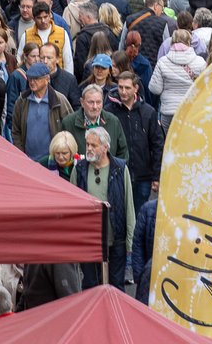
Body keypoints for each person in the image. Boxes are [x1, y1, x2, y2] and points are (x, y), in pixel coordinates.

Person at [71, 127, 135, 288]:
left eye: (94, 145)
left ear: (106, 147)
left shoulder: (120, 169)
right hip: (88, 239)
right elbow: (72, 206)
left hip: (116, 239)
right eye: (87, 145)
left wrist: (130, 241)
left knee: (116, 286)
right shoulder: (79, 169)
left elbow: (128, 206)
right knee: (91, 285)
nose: (89, 149)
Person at [106, 71, 164, 210]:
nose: (123, 92)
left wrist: (156, 176)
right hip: (117, 174)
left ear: (136, 88)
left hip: (142, 175)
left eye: (127, 88)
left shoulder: (148, 112)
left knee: (140, 213)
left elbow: (157, 145)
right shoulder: (109, 112)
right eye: (120, 87)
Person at [11, 62, 73, 161]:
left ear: (47, 79)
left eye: (36, 79)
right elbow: (16, 130)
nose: (32, 82)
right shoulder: (22, 101)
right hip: (28, 160)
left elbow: (70, 129)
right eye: (30, 78)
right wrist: (21, 153)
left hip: (53, 160)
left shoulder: (59, 100)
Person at [149, 28, 206, 130]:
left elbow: (155, 89)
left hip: (169, 112)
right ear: (189, 42)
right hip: (191, 110)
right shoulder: (200, 62)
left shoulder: (163, 62)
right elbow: (205, 88)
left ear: (172, 41)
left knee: (170, 143)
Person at [61, 84, 130, 159]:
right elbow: (63, 154)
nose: (95, 107)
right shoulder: (68, 123)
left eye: (98, 102)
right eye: (90, 102)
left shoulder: (113, 121)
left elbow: (123, 153)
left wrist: (114, 170)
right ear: (82, 102)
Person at [18, 1, 72, 75]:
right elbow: (20, 58)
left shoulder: (62, 33)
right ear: (33, 19)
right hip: (35, 77)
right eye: (39, 18)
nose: (43, 21)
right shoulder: (26, 35)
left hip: (57, 76)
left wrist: (68, 79)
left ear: (50, 15)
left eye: (45, 17)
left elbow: (68, 60)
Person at [73, 1, 119, 76]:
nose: (79, 18)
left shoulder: (82, 37)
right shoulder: (109, 32)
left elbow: (80, 64)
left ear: (88, 17)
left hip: (89, 78)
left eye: (80, 15)